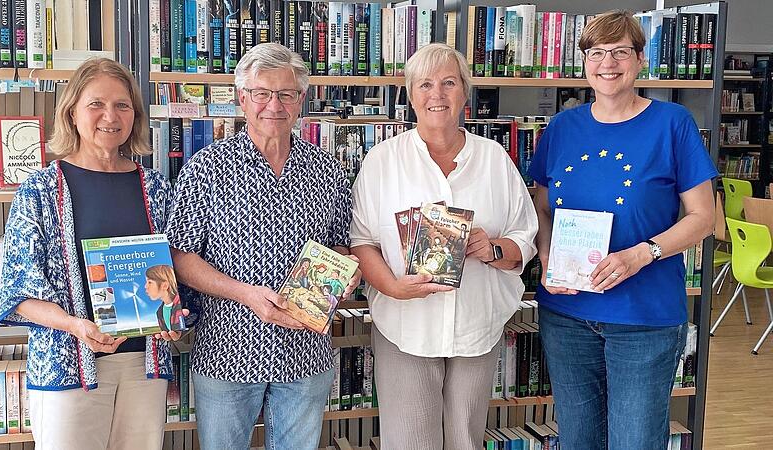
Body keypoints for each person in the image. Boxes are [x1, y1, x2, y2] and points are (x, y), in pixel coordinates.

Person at [527, 11, 717, 450]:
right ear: (584, 62)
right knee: (578, 440)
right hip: (568, 316)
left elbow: (702, 218)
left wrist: (640, 254)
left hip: (644, 318)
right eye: (596, 53)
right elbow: (539, 204)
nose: (607, 63)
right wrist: (547, 253)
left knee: (634, 441)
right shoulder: (561, 128)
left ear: (639, 59)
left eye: (619, 52)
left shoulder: (673, 124)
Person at [166, 42, 361, 450]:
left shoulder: (328, 169)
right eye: (262, 93)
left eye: (286, 94)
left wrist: (347, 274)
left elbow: (342, 246)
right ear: (242, 98)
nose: (274, 104)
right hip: (226, 353)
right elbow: (180, 257)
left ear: (301, 99)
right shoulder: (205, 168)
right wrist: (244, 294)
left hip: (306, 355)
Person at [350, 43, 539, 449]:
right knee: (410, 442)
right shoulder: (382, 161)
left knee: (465, 441)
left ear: (465, 94)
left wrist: (492, 249)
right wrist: (391, 287)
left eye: (449, 83)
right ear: (410, 95)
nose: (437, 95)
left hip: (476, 327)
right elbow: (362, 241)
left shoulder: (494, 159)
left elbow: (526, 238)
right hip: (405, 327)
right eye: (425, 85)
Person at [0, 58, 185, 450]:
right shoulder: (41, 190)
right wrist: (75, 325)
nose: (110, 116)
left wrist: (174, 316)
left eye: (122, 105)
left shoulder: (155, 188)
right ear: (71, 111)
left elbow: (175, 273)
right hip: (69, 362)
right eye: (96, 104)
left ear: (135, 115)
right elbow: (18, 291)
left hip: (143, 365)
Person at [145, 265, 186, 332]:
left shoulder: (182, 305)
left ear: (165, 285)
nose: (145, 286)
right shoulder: (159, 312)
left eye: (150, 282)